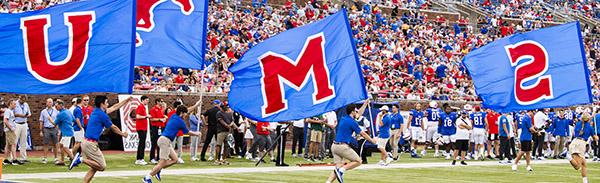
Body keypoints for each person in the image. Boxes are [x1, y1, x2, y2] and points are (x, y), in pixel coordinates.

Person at [69, 95, 131, 183]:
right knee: (102, 166)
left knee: (94, 168)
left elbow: (114, 107)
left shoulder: (97, 111)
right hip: (90, 143)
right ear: (102, 104)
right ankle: (80, 159)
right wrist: (123, 134)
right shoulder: (102, 115)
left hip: (86, 142)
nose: (108, 104)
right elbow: (113, 127)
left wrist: (126, 100)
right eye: (106, 102)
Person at [143, 105, 202, 183]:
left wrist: (196, 105)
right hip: (165, 141)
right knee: (162, 162)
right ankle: (147, 177)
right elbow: (187, 132)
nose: (186, 115)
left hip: (165, 140)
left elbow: (187, 109)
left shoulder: (174, 115)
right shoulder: (180, 121)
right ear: (181, 113)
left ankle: (157, 170)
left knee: (175, 159)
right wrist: (197, 133)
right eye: (185, 113)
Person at [326, 100, 376, 183]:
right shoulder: (352, 122)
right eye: (355, 111)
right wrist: (373, 141)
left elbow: (358, 114)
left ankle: (328, 182)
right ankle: (342, 170)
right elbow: (363, 134)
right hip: (342, 146)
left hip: (334, 146)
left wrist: (365, 104)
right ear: (353, 112)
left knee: (337, 167)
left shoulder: (343, 118)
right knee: (358, 161)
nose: (357, 112)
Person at [566, 113, 596, 183]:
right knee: (577, 166)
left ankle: (585, 181)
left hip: (575, 142)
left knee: (584, 163)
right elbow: (594, 137)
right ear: (588, 119)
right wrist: (596, 138)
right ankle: (568, 156)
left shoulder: (578, 124)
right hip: (581, 144)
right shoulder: (590, 127)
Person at [48, 100, 75, 166]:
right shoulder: (68, 111)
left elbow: (54, 124)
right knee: (61, 145)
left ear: (61, 105)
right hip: (69, 131)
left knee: (65, 147)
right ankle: (62, 160)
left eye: (56, 106)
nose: (56, 107)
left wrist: (49, 119)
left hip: (67, 132)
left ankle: (74, 160)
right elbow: (73, 119)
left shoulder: (61, 114)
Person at [39, 98, 59, 164]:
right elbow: (41, 121)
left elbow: (58, 121)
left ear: (53, 103)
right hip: (46, 128)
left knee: (55, 143)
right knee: (45, 143)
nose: (49, 103)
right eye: (48, 102)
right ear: (46, 103)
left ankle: (56, 158)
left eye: (51, 102)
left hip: (54, 128)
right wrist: (41, 131)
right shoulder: (43, 111)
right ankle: (45, 158)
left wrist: (58, 130)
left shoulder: (56, 111)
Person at [14, 95, 31, 163]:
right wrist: (21, 115)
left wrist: (26, 115)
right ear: (19, 98)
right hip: (17, 123)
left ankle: (23, 158)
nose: (23, 102)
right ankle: (13, 158)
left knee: (23, 141)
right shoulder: (15, 103)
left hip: (24, 123)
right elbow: (12, 114)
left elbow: (29, 113)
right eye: (22, 100)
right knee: (14, 141)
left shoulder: (26, 104)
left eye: (24, 100)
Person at [3, 99, 21, 165]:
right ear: (10, 104)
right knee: (13, 144)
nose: (15, 105)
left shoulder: (10, 111)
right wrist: (11, 128)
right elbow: (5, 120)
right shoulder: (8, 111)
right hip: (9, 130)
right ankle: (14, 159)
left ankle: (5, 160)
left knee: (8, 145)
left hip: (8, 130)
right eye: (14, 104)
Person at [149, 98, 166, 164]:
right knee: (154, 143)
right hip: (155, 127)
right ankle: (152, 157)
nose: (162, 102)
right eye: (161, 101)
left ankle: (159, 157)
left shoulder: (160, 110)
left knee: (160, 143)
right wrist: (160, 119)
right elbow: (152, 119)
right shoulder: (153, 109)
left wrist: (163, 118)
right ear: (157, 102)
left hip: (160, 127)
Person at [135, 95, 151, 165]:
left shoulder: (143, 107)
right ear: (143, 100)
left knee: (142, 143)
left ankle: (140, 158)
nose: (147, 101)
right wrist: (146, 116)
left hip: (143, 127)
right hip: (141, 128)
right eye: (146, 100)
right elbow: (137, 116)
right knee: (141, 143)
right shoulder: (140, 107)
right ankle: (139, 159)